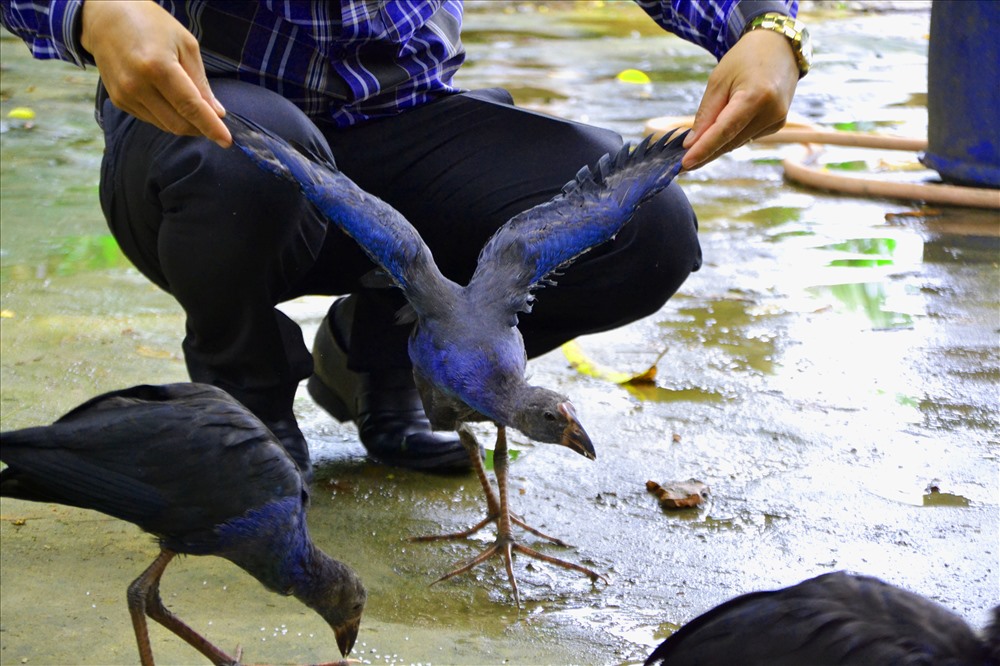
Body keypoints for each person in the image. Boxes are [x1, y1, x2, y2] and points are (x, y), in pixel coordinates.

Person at [0, 1, 806, 481]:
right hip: (209, 111)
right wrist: (92, 10)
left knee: (649, 228)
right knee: (236, 168)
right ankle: (242, 406)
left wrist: (766, 26)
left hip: (410, 115)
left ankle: (372, 359)